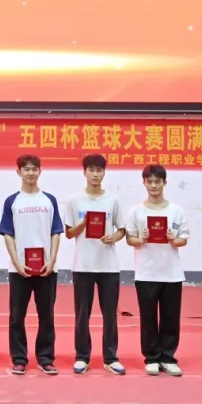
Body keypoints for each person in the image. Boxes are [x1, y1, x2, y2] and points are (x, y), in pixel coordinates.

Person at [0, 154, 63, 375]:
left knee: (47, 316)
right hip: (19, 271)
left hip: (46, 270)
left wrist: (52, 259)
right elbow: (8, 234)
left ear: (40, 171)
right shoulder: (12, 201)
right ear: (19, 172)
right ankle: (19, 359)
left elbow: (56, 231)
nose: (31, 173)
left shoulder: (49, 200)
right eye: (26, 169)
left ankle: (45, 358)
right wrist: (16, 262)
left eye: (34, 169)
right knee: (17, 317)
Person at [125, 164, 190, 377]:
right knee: (148, 318)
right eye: (150, 182)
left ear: (164, 183)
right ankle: (152, 358)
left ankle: (168, 358)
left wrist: (173, 239)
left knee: (171, 317)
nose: (154, 185)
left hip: (171, 273)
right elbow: (130, 239)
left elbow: (183, 240)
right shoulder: (136, 211)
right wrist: (141, 238)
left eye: (157, 182)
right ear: (144, 183)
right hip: (146, 272)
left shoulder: (176, 210)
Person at [64, 153, 126, 375]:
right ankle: (82, 356)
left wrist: (113, 237)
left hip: (108, 266)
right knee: (82, 314)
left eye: (99, 170)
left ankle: (111, 357)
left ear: (104, 173)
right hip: (83, 265)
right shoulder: (74, 200)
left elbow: (122, 229)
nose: (95, 174)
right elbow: (69, 233)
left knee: (110, 314)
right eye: (91, 170)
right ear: (84, 172)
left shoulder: (113, 200)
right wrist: (83, 225)